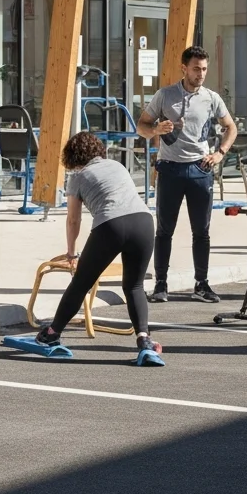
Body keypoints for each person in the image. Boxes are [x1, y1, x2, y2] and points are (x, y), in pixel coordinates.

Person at [31, 132, 161, 363]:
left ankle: (52, 334)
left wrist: (72, 253)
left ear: (71, 156)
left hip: (111, 225)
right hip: (143, 222)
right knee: (134, 285)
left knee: (81, 282)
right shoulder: (117, 165)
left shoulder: (78, 177)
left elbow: (73, 219)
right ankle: (144, 339)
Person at [137, 45, 238, 304]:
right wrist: (157, 130)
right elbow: (142, 126)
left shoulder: (211, 98)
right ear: (184, 68)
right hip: (170, 169)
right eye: (196, 69)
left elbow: (230, 127)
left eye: (204, 69)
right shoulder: (165, 95)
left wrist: (220, 153)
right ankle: (160, 284)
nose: (200, 74)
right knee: (164, 230)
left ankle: (201, 284)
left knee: (201, 231)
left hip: (200, 170)